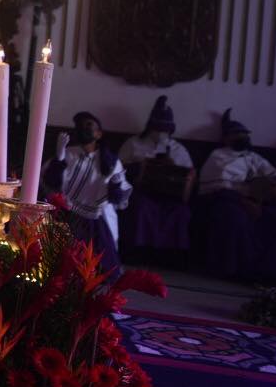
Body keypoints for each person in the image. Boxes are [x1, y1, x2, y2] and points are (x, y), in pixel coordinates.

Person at [194, 109, 276, 284]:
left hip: (257, 201)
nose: (241, 136)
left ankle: (274, 275)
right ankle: (240, 272)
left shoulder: (254, 157)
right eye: (236, 134)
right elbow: (217, 186)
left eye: (243, 133)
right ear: (226, 138)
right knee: (235, 219)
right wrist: (242, 200)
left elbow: (274, 174)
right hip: (226, 200)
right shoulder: (218, 155)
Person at [44, 111, 132, 276]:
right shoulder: (69, 154)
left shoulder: (110, 161)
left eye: (89, 126)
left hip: (96, 216)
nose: (84, 129)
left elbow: (117, 196)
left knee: (97, 259)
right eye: (81, 126)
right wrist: (59, 158)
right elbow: (51, 183)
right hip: (66, 212)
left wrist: (115, 184)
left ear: (99, 134)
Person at [117, 95, 195, 258]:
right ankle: (138, 252)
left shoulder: (178, 149)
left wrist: (172, 167)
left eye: (165, 130)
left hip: (169, 195)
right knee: (141, 207)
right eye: (158, 128)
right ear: (150, 126)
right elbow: (118, 169)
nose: (161, 133)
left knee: (180, 212)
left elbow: (189, 176)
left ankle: (169, 256)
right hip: (140, 190)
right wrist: (141, 166)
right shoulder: (133, 143)